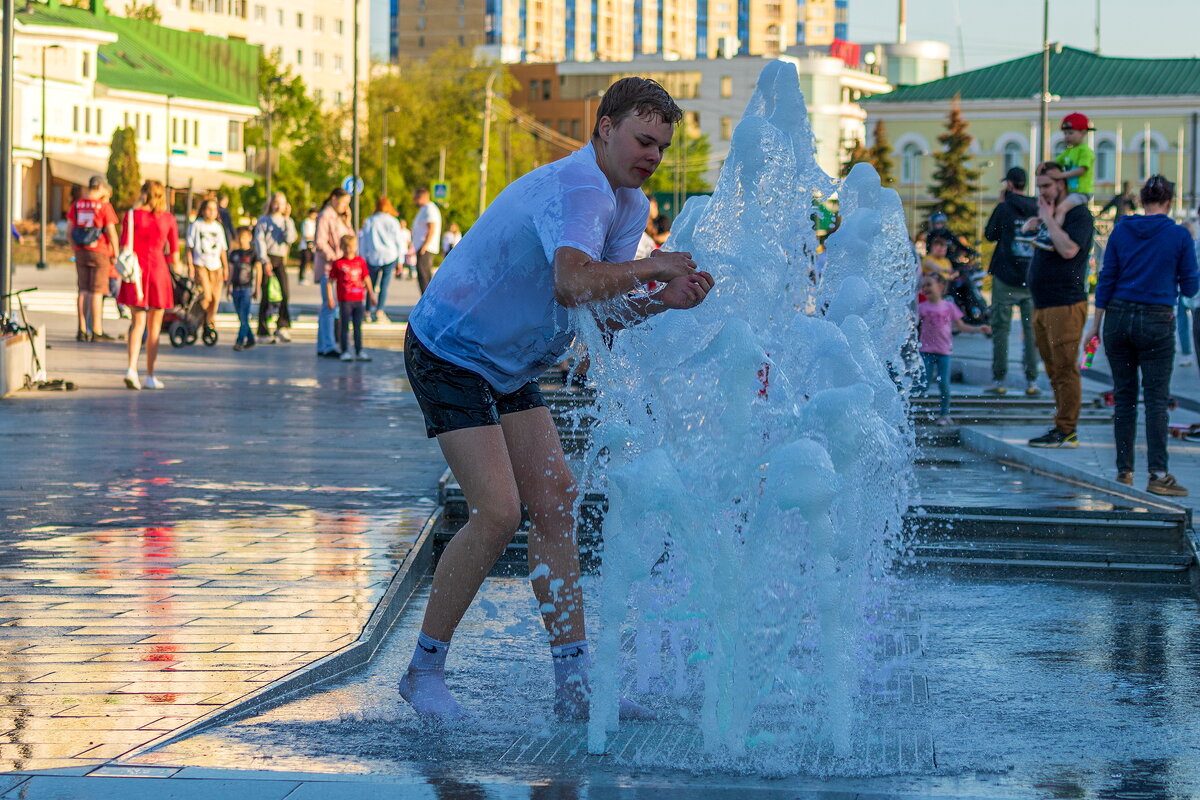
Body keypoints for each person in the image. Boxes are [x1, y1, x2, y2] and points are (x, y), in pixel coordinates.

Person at [400, 77, 714, 722]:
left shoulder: (627, 204)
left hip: (508, 365)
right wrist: (657, 267)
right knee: (497, 512)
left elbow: (597, 311)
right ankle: (424, 671)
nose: (652, 155)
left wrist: (661, 300)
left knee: (555, 504)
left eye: (661, 145)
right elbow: (573, 282)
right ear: (604, 127)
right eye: (642, 139)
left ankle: (572, 684)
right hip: (450, 350)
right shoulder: (581, 189)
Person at [1085, 176, 1198, 495]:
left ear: (1143, 200)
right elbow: (1190, 287)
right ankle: (1158, 474)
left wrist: (1095, 327)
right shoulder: (1178, 235)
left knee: (1123, 398)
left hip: (1117, 319)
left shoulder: (1121, 229)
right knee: (1156, 400)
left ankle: (1124, 472)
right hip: (1156, 321)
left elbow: (1106, 279)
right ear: (1170, 202)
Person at [1024, 162, 1096, 448]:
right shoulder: (1051, 214)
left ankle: (1067, 430)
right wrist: (1037, 225)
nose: (1042, 193)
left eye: (1047, 186)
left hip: (1065, 303)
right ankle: (1060, 425)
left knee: (1065, 368)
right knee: (1053, 369)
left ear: (1061, 184)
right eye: (1039, 186)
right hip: (1043, 304)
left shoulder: (1078, 215)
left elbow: (1068, 250)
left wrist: (1047, 219)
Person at [983, 166, 1041, 396]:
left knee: (1001, 330)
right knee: (1031, 331)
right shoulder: (1037, 206)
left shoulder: (1004, 207)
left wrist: (1001, 205)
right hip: (1031, 278)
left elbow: (989, 235)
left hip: (1005, 277)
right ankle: (1032, 382)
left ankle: (1000, 381)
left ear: (1008, 184)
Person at [117, 180, 179, 390]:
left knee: (137, 324)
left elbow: (124, 245)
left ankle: (131, 369)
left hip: (137, 274)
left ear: (143, 193)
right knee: (155, 328)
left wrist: (135, 207)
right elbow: (174, 254)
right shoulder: (168, 219)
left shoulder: (131, 216)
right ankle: (150, 375)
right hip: (158, 273)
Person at [917, 273, 992, 425]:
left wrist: (979, 329)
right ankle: (911, 409)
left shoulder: (949, 306)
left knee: (944, 384)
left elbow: (961, 326)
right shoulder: (922, 307)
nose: (925, 288)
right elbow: (911, 326)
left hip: (944, 352)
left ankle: (944, 415)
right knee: (923, 384)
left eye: (929, 284)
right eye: (923, 285)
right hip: (926, 351)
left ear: (941, 286)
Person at [1020, 113, 1095, 252]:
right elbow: (1056, 162)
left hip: (1081, 192)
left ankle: (1050, 237)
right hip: (1072, 192)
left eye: (1070, 133)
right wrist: (1043, 165)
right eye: (1065, 133)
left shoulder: (1085, 151)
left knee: (1061, 209)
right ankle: (1039, 231)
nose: (1067, 136)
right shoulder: (1070, 151)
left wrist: (1061, 175)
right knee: (1051, 209)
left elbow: (1082, 170)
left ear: (1083, 132)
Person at [67, 176, 120, 342]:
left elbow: (69, 231)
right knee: (97, 291)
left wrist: (75, 248)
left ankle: (82, 329)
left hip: (81, 250)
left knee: (83, 290)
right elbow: (111, 232)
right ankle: (96, 330)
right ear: (101, 188)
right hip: (99, 251)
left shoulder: (76, 205)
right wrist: (115, 254)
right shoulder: (104, 206)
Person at [314, 188, 353, 358]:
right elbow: (320, 242)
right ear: (334, 198)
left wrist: (348, 220)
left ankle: (324, 345)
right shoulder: (325, 216)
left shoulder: (339, 217)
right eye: (344, 203)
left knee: (329, 308)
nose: (345, 207)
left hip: (338, 268)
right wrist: (335, 258)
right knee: (329, 307)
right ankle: (327, 345)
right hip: (330, 268)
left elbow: (350, 240)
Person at [253, 192, 298, 343]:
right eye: (276, 202)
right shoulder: (263, 220)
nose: (279, 206)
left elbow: (290, 238)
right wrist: (264, 261)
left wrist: (286, 219)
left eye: (282, 203)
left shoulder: (287, 221)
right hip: (268, 258)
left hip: (280, 258)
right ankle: (263, 331)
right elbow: (259, 241)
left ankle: (282, 325)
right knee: (266, 295)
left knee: (284, 293)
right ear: (271, 203)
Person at [327, 233, 375, 362]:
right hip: (345, 300)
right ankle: (345, 351)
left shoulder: (360, 261)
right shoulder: (338, 263)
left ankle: (359, 350)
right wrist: (330, 298)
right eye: (347, 247)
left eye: (352, 246)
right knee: (344, 326)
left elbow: (366, 278)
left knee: (358, 326)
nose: (350, 249)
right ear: (342, 247)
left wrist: (371, 294)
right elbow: (330, 281)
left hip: (358, 299)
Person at [187, 198, 229, 335]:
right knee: (206, 296)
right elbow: (189, 247)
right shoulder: (196, 225)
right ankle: (194, 321)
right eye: (208, 209)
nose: (211, 212)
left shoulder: (218, 227)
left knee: (215, 299)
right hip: (201, 265)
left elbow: (222, 249)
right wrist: (190, 266)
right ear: (203, 210)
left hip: (216, 266)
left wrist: (226, 267)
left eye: (214, 210)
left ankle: (208, 324)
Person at [358, 197, 404, 323]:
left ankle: (367, 311)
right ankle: (379, 311)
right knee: (384, 286)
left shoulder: (370, 221)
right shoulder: (393, 221)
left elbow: (363, 241)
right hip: (390, 256)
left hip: (373, 256)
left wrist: (362, 258)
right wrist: (400, 260)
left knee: (370, 286)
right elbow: (399, 242)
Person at [227, 226, 263, 351]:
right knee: (241, 316)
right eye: (240, 237)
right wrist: (227, 286)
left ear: (249, 238)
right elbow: (230, 271)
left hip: (247, 288)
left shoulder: (253, 253)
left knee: (244, 316)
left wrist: (257, 288)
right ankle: (251, 339)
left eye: (244, 237)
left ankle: (240, 341)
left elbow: (259, 270)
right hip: (236, 288)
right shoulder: (234, 254)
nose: (242, 240)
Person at [411, 186, 442, 294]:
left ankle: (426, 301)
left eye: (416, 197)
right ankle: (426, 300)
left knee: (424, 276)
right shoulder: (425, 209)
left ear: (422, 197)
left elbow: (432, 228)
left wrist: (424, 246)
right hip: (423, 247)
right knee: (423, 275)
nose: (414, 199)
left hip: (426, 248)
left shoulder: (430, 209)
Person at [299, 206, 318, 285]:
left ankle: (316, 277)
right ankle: (301, 278)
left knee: (314, 261)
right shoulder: (306, 222)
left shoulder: (315, 222)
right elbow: (306, 235)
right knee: (304, 262)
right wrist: (315, 237)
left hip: (313, 246)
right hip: (305, 246)